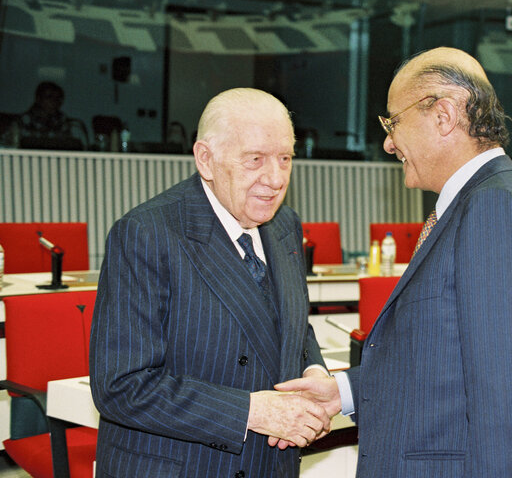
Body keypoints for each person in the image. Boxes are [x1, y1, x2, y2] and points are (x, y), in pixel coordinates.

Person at [278, 47, 512, 476]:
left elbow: (509, 407)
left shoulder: (496, 210)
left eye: (393, 122)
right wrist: (342, 393)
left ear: (443, 116)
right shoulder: (479, 203)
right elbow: (440, 363)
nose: (388, 142)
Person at [89, 88, 331, 477]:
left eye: (285, 159)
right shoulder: (147, 233)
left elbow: (289, 325)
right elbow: (120, 387)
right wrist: (251, 411)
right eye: (255, 160)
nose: (275, 178)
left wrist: (313, 372)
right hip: (182, 466)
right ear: (206, 159)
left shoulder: (286, 225)